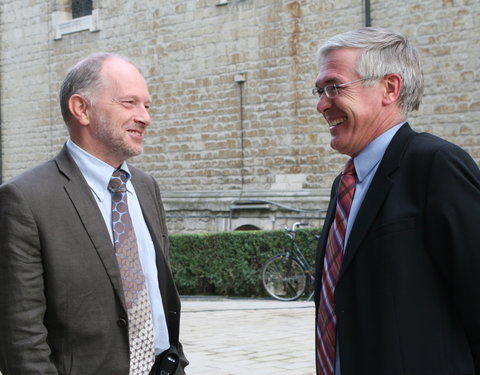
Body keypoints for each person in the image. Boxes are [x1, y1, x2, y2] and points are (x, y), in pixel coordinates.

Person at [0, 53, 188, 375]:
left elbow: (157, 293)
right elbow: (21, 338)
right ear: (81, 109)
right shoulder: (25, 199)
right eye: (129, 103)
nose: (145, 117)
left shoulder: (146, 187)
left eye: (147, 105)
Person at [313, 27, 480, 375]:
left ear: (390, 88)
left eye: (334, 87)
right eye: (319, 91)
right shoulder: (345, 184)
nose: (321, 104)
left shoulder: (436, 165)